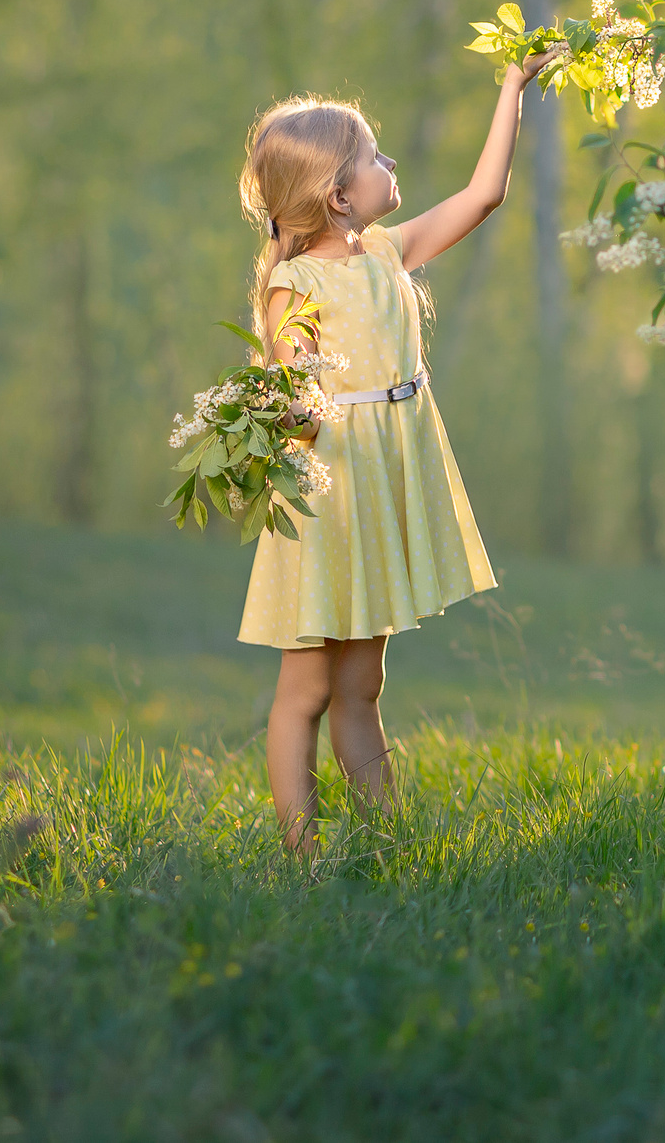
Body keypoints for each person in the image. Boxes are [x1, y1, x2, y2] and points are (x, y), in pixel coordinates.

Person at [233, 48, 556, 852]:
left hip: (377, 486)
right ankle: (302, 858)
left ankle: (387, 844)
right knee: (306, 687)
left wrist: (512, 88)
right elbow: (293, 394)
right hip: (328, 497)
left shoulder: (383, 251)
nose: (392, 164)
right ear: (339, 195)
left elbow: (484, 195)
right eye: (376, 158)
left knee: (363, 682)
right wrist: (286, 405)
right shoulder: (295, 285)